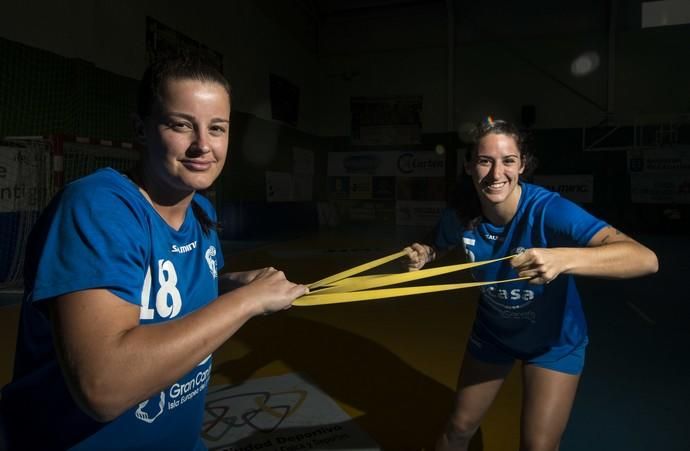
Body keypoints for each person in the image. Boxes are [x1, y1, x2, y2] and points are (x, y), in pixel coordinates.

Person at [0, 53, 307, 450]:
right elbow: (103, 387)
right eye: (181, 125)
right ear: (141, 130)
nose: (202, 145)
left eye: (217, 128)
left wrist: (226, 286)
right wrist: (246, 302)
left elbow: (160, 298)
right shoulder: (99, 207)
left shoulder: (200, 210)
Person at [404, 117, 658, 451]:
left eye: (508, 161)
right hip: (493, 334)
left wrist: (563, 258)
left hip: (553, 343)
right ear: (469, 167)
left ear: (522, 165)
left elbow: (644, 258)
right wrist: (426, 252)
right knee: (459, 428)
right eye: (485, 161)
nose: (497, 174)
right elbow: (437, 241)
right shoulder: (460, 214)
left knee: (538, 446)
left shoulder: (548, 210)